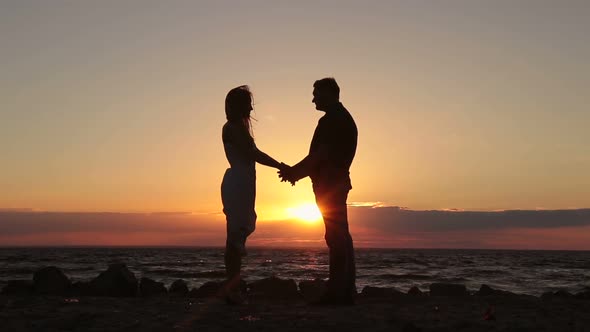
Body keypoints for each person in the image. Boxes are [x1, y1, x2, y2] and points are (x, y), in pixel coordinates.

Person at [279, 77, 358, 305]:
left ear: (330, 93)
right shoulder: (342, 118)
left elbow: (320, 155)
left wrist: (294, 172)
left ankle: (337, 293)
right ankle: (346, 290)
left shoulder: (332, 120)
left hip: (331, 185)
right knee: (341, 235)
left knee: (335, 236)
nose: (313, 99)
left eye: (317, 94)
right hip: (335, 182)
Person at [221, 85, 286, 304]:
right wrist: (280, 165)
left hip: (245, 183)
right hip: (239, 184)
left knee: (237, 236)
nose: (251, 107)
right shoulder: (232, 128)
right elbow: (253, 154)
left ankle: (234, 286)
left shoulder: (239, 127)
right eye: (248, 103)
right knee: (235, 237)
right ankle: (232, 289)